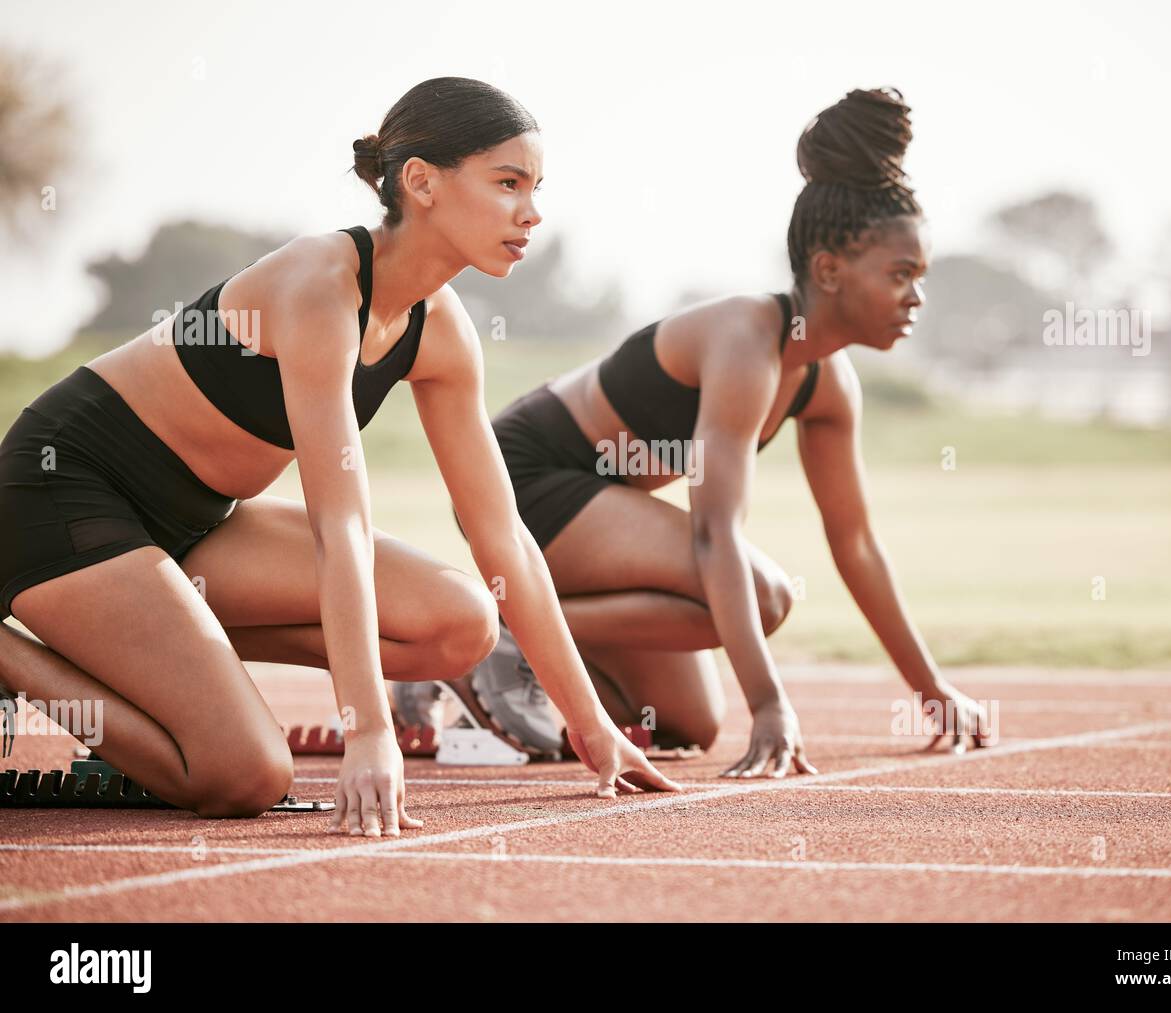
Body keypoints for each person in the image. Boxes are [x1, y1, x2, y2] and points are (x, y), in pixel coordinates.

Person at [0, 77, 679, 836]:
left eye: (537, 187)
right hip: (66, 498)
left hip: (196, 527)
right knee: (243, 772)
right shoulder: (319, 286)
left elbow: (503, 537)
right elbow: (340, 528)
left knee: (461, 623)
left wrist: (591, 727)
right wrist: (368, 733)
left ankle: (140, 651)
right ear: (421, 182)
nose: (532, 211)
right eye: (508, 183)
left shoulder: (442, 331)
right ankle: (12, 655)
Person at [450, 87, 990, 774]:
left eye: (921, 275)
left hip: (598, 505)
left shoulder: (829, 384)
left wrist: (930, 689)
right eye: (900, 274)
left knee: (686, 723)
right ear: (828, 269)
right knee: (763, 596)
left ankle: (494, 649)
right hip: (522, 479)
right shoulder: (746, 339)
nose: (917, 296)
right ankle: (490, 636)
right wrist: (769, 703)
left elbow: (855, 543)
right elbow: (713, 534)